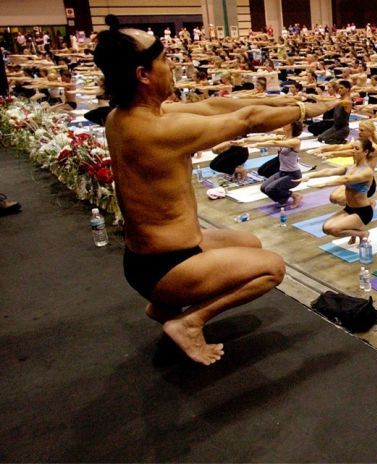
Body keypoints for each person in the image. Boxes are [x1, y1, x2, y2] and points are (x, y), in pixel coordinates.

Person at [94, 16, 337, 365]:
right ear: (143, 74)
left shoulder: (123, 116)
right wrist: (305, 109)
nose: (171, 66)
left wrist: (285, 100)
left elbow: (213, 106)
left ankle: (163, 307)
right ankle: (189, 322)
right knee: (272, 267)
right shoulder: (155, 132)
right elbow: (245, 121)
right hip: (164, 267)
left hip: (155, 254)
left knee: (249, 243)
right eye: (164, 59)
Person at [302, 139, 377, 243]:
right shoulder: (350, 167)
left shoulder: (367, 172)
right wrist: (309, 175)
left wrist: (325, 184)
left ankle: (362, 234)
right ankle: (355, 231)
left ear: (365, 152)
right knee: (326, 228)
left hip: (363, 212)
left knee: (334, 229)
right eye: (352, 148)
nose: (353, 151)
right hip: (349, 208)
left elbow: (346, 179)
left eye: (357, 149)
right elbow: (329, 171)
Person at [255, 121, 304, 208]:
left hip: (293, 175)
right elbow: (263, 138)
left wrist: (257, 145)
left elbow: (274, 143)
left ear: (292, 126)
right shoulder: (283, 137)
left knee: (270, 189)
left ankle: (295, 195)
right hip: (282, 172)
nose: (283, 124)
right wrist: (244, 141)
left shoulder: (295, 141)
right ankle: (283, 199)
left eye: (287, 123)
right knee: (263, 188)